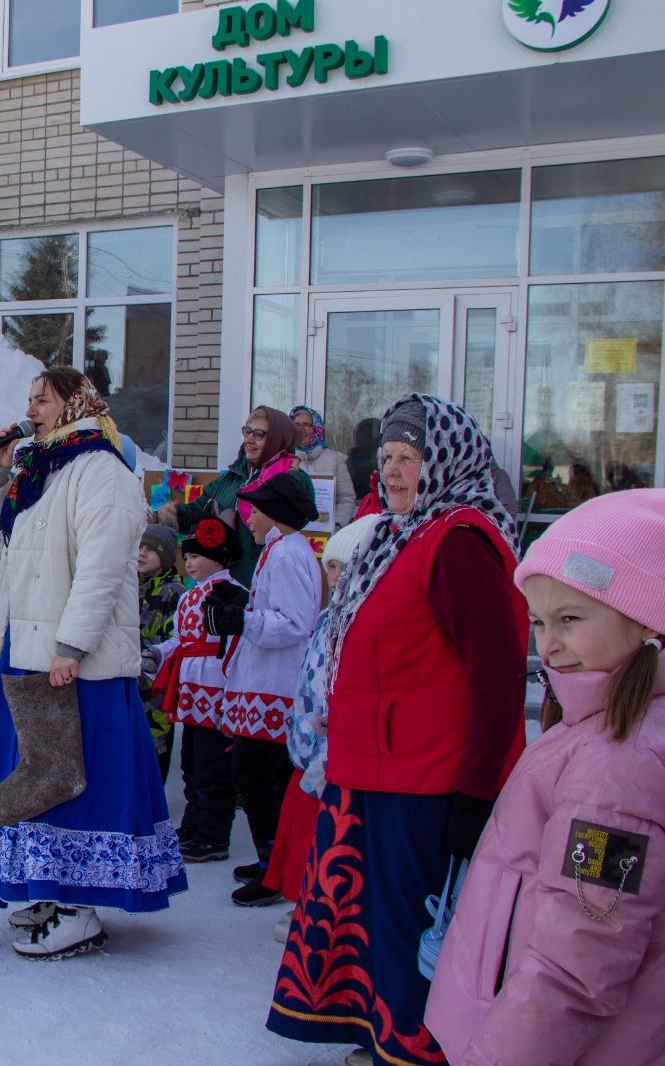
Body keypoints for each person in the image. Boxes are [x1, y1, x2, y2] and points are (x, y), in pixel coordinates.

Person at [268, 395, 528, 1066]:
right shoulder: (396, 534)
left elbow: (497, 676)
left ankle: (414, 1048)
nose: (392, 471)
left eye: (409, 458)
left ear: (444, 461)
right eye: (385, 457)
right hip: (369, 768)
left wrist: (477, 792)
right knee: (370, 921)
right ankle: (380, 1035)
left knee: (408, 923)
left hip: (423, 778)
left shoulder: (461, 542)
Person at [0, 368, 187, 960]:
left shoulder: (103, 471)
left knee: (72, 778)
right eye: (29, 400)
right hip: (27, 650)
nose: (32, 409)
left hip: (74, 660)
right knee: (31, 775)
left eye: (44, 399)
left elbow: (100, 569)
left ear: (77, 405)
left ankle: (79, 907)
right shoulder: (40, 470)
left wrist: (71, 647)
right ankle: (49, 885)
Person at [426, 489, 665, 1065]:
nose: (549, 644)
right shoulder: (598, 728)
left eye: (571, 618)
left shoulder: (617, 771)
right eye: (537, 621)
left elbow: (579, 962)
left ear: (646, 620)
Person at [203, 469, 321, 907]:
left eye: (255, 509)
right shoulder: (280, 551)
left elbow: (294, 622)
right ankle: (273, 857)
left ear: (275, 514)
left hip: (276, 683)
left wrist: (244, 620)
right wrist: (244, 607)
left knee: (255, 772)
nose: (247, 517)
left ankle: (276, 865)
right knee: (259, 773)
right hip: (266, 681)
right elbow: (275, 609)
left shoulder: (289, 556)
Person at [267, 512, 382, 942]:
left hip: (336, 748)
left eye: (341, 566)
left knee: (328, 833)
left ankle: (322, 906)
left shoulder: (360, 620)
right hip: (310, 742)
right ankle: (303, 900)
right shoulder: (328, 616)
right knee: (302, 830)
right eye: (329, 566)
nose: (332, 576)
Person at [151, 510, 244, 863]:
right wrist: (158, 653)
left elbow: (237, 644)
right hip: (191, 686)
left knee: (213, 766)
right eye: (186, 556)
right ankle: (193, 824)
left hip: (216, 686)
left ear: (218, 558)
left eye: (197, 556)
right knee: (190, 761)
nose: (189, 563)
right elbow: (180, 639)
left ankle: (214, 833)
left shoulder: (233, 594)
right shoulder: (191, 596)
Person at [158, 405, 297, 587]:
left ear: (277, 439)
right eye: (247, 432)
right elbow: (198, 510)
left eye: (259, 434)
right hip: (221, 581)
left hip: (261, 582)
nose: (249, 440)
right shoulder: (230, 478)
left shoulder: (288, 478)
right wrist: (174, 515)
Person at [137, 523, 183, 782]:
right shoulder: (132, 586)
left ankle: (157, 812)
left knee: (156, 746)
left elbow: (174, 639)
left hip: (156, 688)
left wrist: (149, 653)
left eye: (150, 549)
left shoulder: (173, 591)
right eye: (140, 547)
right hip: (131, 682)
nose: (142, 553)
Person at [290, 406, 356, 529]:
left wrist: (336, 524)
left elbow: (346, 498)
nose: (301, 429)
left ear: (315, 428)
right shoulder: (284, 459)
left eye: (306, 425)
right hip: (292, 533)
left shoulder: (334, 459)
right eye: (296, 424)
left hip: (325, 536)